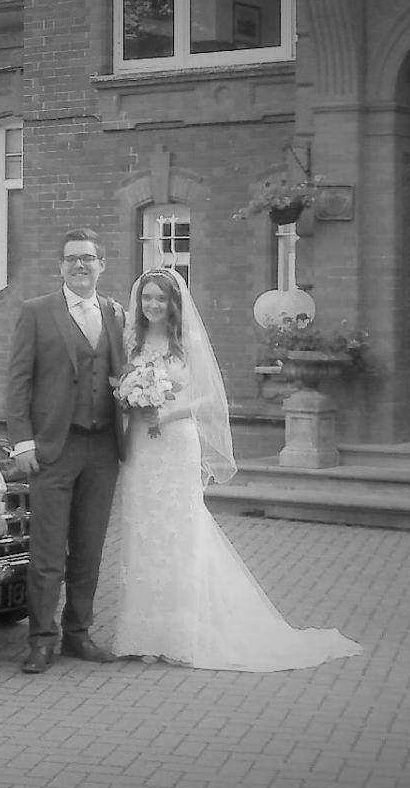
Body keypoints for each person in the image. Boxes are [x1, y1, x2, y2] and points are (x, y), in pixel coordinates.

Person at [106, 267, 362, 672]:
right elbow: (119, 385)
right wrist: (129, 396)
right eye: (147, 298)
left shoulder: (186, 342)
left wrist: (169, 412)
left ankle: (178, 633)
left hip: (175, 443)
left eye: (160, 298)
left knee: (178, 532)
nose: (153, 305)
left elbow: (209, 398)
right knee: (142, 531)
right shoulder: (131, 340)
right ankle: (143, 634)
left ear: (174, 303)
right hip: (141, 447)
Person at [4, 228, 128, 674]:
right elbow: (18, 381)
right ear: (61, 266)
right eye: (72, 259)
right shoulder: (36, 312)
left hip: (103, 449)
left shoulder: (115, 315)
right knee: (47, 553)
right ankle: (41, 639)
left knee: (90, 549)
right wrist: (22, 442)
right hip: (54, 449)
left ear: (101, 265)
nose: (80, 265)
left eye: (88, 259)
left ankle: (79, 633)